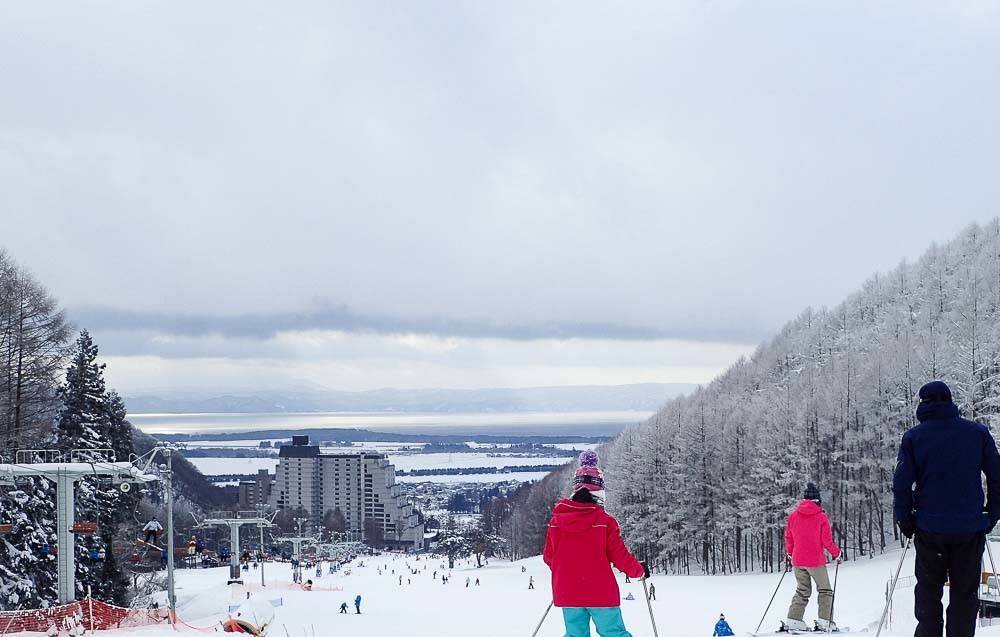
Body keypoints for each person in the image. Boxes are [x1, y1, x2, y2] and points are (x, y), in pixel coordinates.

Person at [893, 380, 1000, 637]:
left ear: (923, 404)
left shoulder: (914, 438)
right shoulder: (977, 433)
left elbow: (901, 483)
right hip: (969, 528)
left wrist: (905, 519)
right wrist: (992, 514)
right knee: (964, 595)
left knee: (929, 593)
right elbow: (997, 475)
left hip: (931, 528)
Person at [543, 450, 647, 637]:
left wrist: (568, 572)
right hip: (601, 592)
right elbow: (619, 556)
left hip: (568, 592)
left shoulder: (556, 522)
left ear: (575, 490)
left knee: (575, 635)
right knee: (613, 633)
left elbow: (549, 557)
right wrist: (638, 570)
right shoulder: (604, 521)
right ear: (599, 492)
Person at [784, 482, 841, 632]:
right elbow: (826, 541)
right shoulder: (821, 516)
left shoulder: (793, 516)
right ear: (817, 501)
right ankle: (825, 621)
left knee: (802, 590)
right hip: (815, 561)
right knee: (825, 590)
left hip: (797, 560)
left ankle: (793, 620)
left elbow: (789, 538)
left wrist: (790, 553)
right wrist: (837, 554)